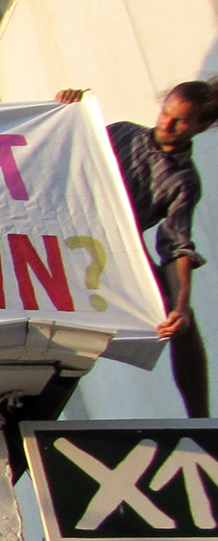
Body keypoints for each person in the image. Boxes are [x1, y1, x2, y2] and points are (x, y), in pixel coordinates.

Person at [59, 81, 218, 417]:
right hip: (65, 226)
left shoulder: (183, 180)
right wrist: (63, 111)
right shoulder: (123, 134)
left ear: (200, 127)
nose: (166, 124)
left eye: (180, 121)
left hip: (112, 250)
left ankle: (201, 420)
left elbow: (176, 246)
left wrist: (182, 305)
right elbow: (63, 154)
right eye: (165, 113)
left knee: (180, 322)